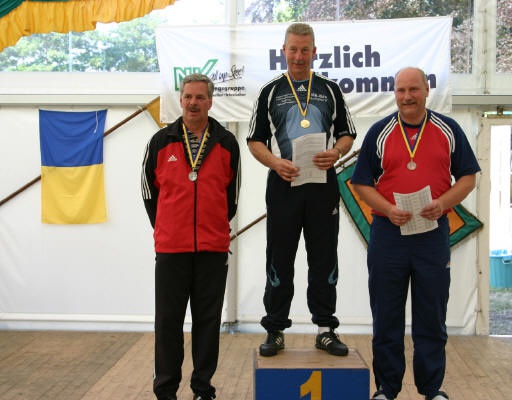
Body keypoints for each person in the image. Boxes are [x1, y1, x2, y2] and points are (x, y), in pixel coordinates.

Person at [351, 67, 481, 400]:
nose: (406, 96)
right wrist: (387, 208)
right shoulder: (379, 132)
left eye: (413, 89)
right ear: (394, 93)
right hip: (388, 233)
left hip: (431, 233)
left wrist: (443, 203)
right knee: (386, 315)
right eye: (400, 90)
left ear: (426, 90)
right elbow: (361, 183)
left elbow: (468, 177)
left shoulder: (448, 129)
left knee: (431, 315)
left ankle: (431, 389)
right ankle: (387, 388)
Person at [247, 22, 356, 357]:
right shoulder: (269, 92)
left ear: (314, 52)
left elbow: (347, 134)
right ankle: (275, 329)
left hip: (323, 185)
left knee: (324, 257)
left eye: (304, 50)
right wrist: (275, 163)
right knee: (279, 257)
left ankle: (325, 329)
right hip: (284, 184)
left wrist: (336, 152)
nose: (298, 56)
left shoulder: (330, 89)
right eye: (293, 49)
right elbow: (254, 140)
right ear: (283, 51)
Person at [141, 73, 241, 400]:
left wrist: (212, 226)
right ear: (180, 99)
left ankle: (202, 389)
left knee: (207, 322)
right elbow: (148, 192)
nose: (193, 103)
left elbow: (232, 196)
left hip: (212, 248)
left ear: (210, 101)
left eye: (200, 97)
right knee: (168, 322)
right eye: (188, 97)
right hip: (172, 248)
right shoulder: (160, 141)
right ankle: (166, 390)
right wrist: (167, 226)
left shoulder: (226, 142)